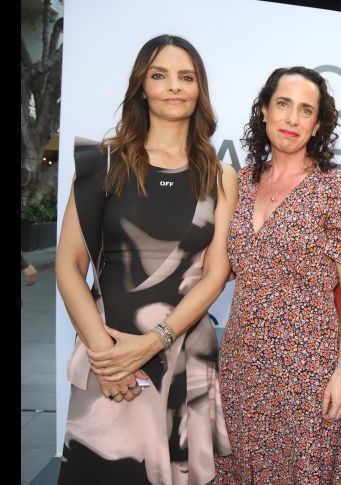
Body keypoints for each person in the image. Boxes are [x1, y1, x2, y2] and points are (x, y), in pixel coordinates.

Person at [56, 35, 236, 484]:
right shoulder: (101, 163)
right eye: (160, 75)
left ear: (200, 89)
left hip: (183, 360)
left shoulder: (220, 175)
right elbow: (69, 265)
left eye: (186, 77)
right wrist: (104, 354)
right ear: (142, 86)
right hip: (109, 355)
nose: (174, 87)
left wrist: (155, 340)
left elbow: (216, 275)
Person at [214, 66, 341, 484]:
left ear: (317, 125)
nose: (291, 119)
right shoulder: (240, 183)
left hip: (307, 367)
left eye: (305, 110)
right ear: (264, 110)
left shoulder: (335, 189)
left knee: (303, 471)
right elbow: (221, 268)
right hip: (241, 363)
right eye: (283, 104)